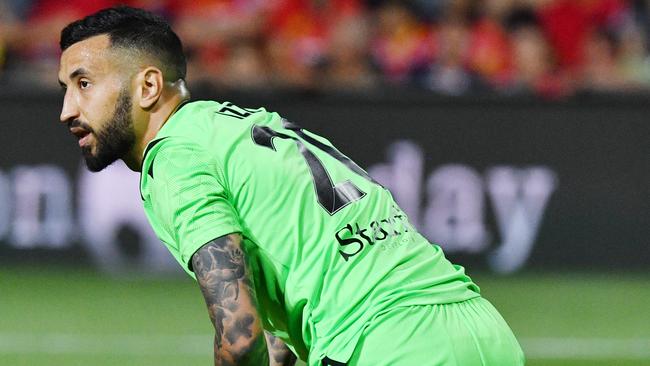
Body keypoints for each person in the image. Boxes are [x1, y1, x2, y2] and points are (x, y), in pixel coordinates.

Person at [57, 6, 525, 366]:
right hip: (481, 330)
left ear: (148, 87)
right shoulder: (243, 129)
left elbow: (239, 337)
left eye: (83, 84)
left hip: (385, 344)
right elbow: (281, 312)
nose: (67, 110)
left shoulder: (174, 159)